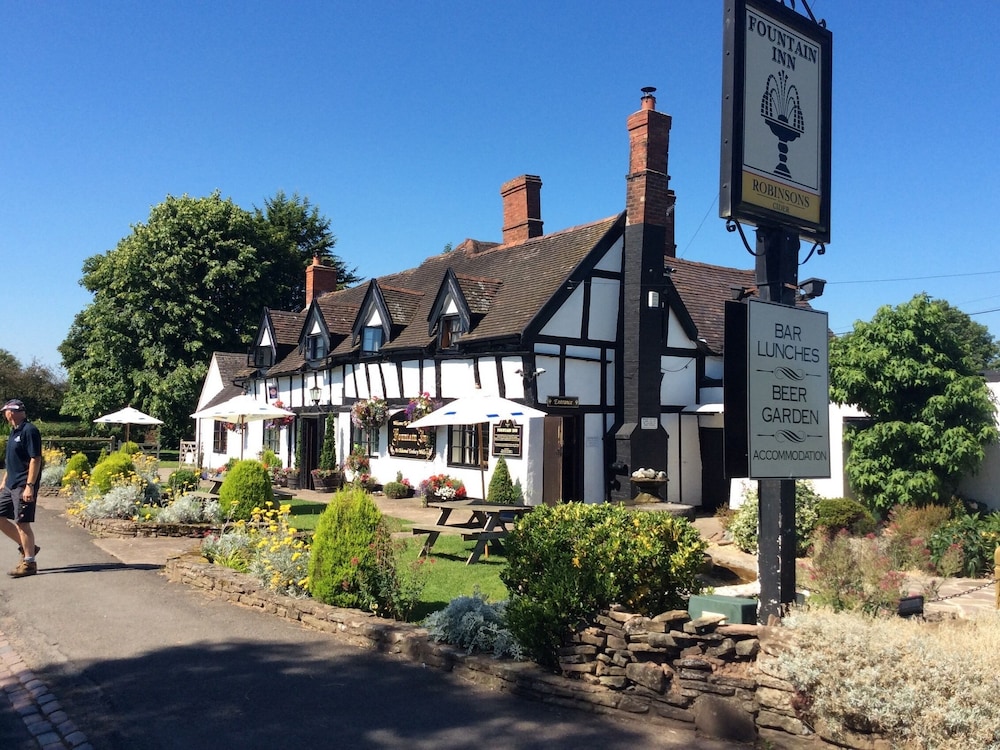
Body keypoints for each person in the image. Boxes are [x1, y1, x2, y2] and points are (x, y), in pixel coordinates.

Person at [0, 399, 42, 577]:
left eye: (6, 411)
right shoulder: (14, 431)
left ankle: (29, 563)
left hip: (23, 485)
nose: (4, 414)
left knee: (22, 523)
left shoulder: (29, 430)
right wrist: (4, 481)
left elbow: (35, 459)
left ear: (12, 412)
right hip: (10, 485)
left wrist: (30, 486)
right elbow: (12, 461)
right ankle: (29, 548)